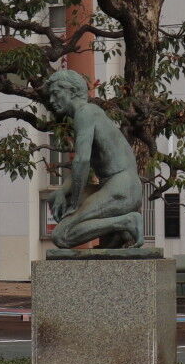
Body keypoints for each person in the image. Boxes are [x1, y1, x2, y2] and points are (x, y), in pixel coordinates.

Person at [45, 69, 146, 249]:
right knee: (55, 198)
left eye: (55, 93)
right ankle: (118, 230)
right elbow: (81, 166)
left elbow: (82, 161)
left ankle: (127, 222)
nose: (52, 100)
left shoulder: (85, 112)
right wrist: (61, 192)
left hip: (122, 188)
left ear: (72, 91)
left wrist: (74, 206)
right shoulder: (90, 113)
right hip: (115, 186)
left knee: (61, 236)